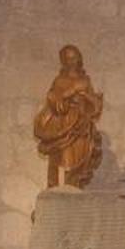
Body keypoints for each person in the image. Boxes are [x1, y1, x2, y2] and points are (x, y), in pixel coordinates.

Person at [33, 43, 104, 188]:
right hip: (63, 126)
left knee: (78, 163)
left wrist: (85, 96)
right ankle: (58, 190)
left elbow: (95, 108)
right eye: (68, 59)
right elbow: (52, 99)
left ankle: (73, 188)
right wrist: (66, 96)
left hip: (81, 128)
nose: (72, 62)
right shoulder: (59, 81)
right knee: (62, 160)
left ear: (79, 59)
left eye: (74, 58)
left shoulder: (85, 80)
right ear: (63, 61)